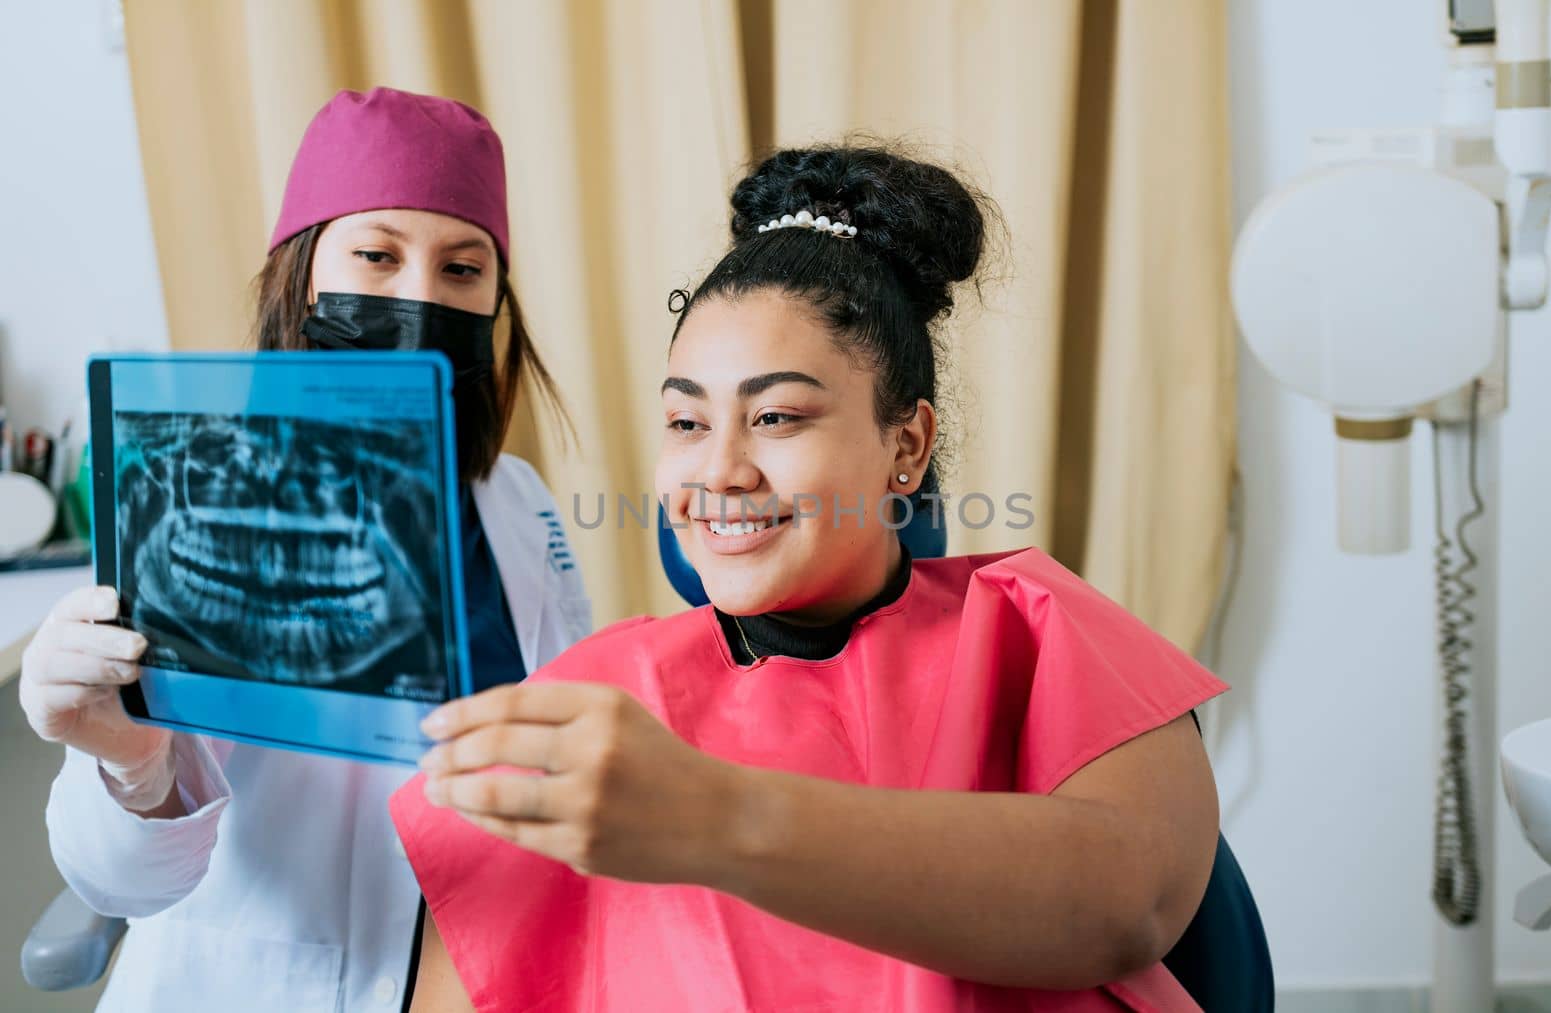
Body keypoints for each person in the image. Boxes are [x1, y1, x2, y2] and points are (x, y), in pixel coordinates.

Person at [396, 144, 1225, 1012]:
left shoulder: (1040, 627)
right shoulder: (593, 701)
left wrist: (714, 816)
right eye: (686, 419)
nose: (719, 469)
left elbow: (1129, 902)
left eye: (777, 416)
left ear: (906, 444)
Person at [19, 87, 591, 1011]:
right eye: (376, 255)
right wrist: (128, 761)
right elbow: (119, 880)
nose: (418, 297)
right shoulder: (198, 493)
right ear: (303, 275)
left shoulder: (515, 501)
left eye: (462, 268)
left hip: (495, 964)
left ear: (495, 301)